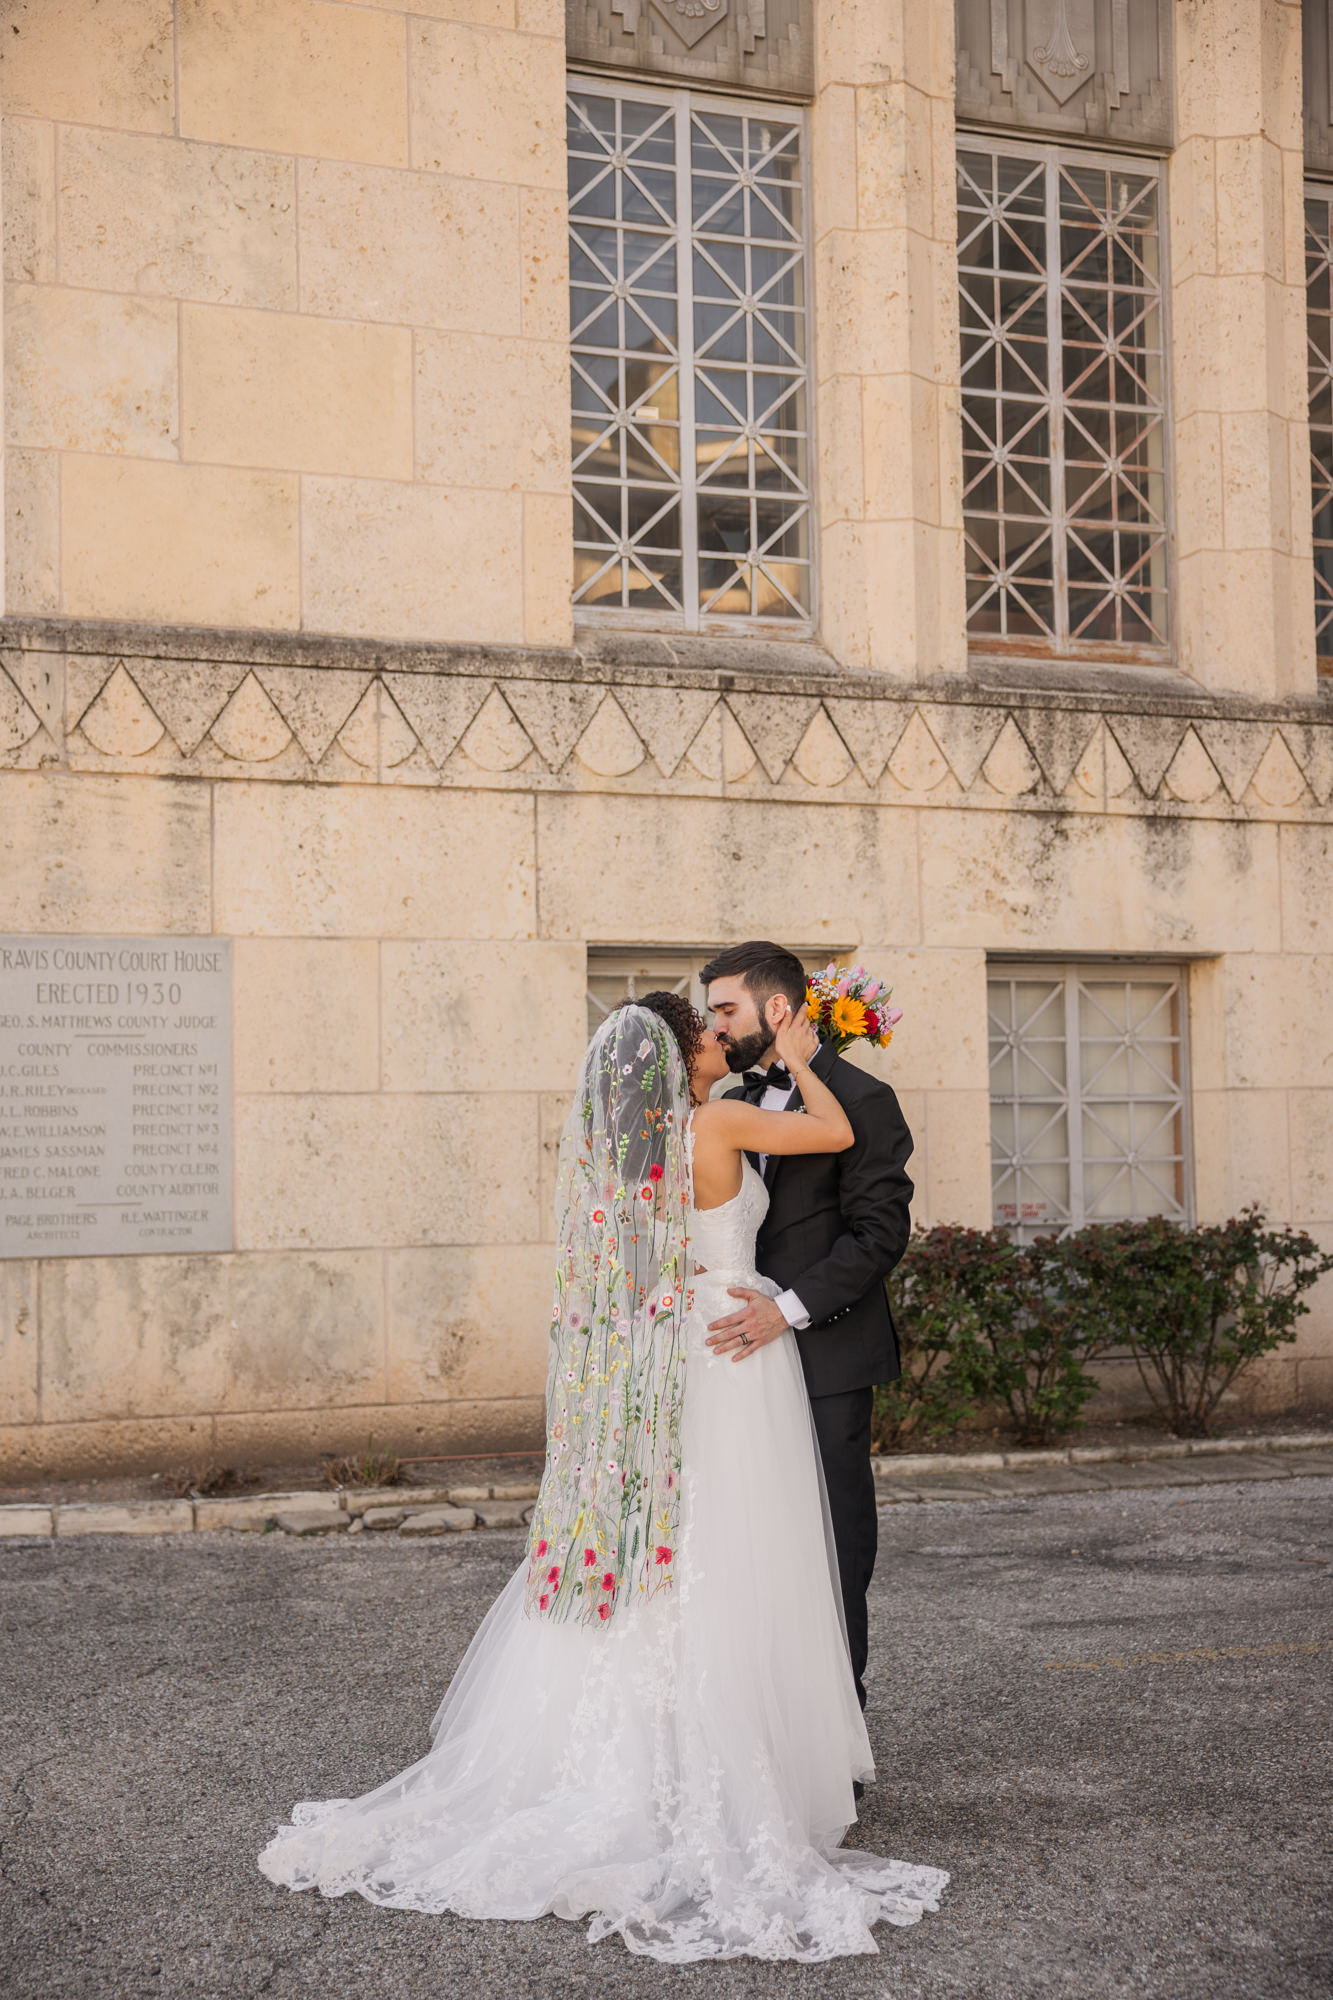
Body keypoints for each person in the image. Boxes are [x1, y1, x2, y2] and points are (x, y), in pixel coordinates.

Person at [257, 998, 947, 1962]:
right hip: (733, 1352)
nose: (726, 1039)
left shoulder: (640, 1152)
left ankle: (646, 1757)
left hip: (678, 1350)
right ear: (681, 1055)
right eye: (712, 1032)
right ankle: (719, 1769)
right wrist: (803, 1054)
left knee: (687, 1540)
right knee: (735, 1544)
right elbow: (831, 1130)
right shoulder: (713, 1121)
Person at [699, 941, 914, 1714]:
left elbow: (877, 1235)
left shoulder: (862, 1099)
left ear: (778, 1010)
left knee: (830, 1546)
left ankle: (833, 1733)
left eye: (725, 1009)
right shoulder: (720, 1099)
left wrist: (782, 1312)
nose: (715, 1027)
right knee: (744, 1543)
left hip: (823, 1355)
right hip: (730, 1362)